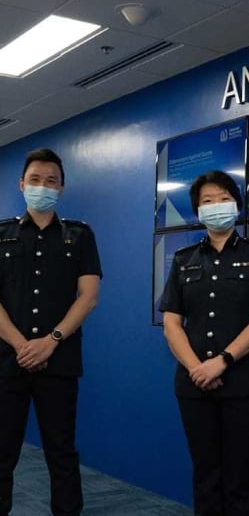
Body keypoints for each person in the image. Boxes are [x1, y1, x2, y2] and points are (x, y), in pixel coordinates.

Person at [160, 170, 249, 516]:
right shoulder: (184, 260)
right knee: (205, 474)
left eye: (224, 199)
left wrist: (222, 361)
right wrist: (196, 368)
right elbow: (171, 324)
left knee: (241, 476)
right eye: (207, 201)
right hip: (194, 385)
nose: (216, 206)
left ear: (237, 206)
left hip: (245, 384)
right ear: (198, 211)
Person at [0, 148, 102, 516]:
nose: (42, 186)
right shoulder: (2, 234)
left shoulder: (80, 235)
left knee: (61, 453)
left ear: (61, 188)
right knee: (2, 452)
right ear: (21, 184)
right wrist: (21, 345)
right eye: (35, 180)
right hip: (6, 362)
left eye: (51, 181)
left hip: (59, 362)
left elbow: (88, 296)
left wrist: (51, 341)